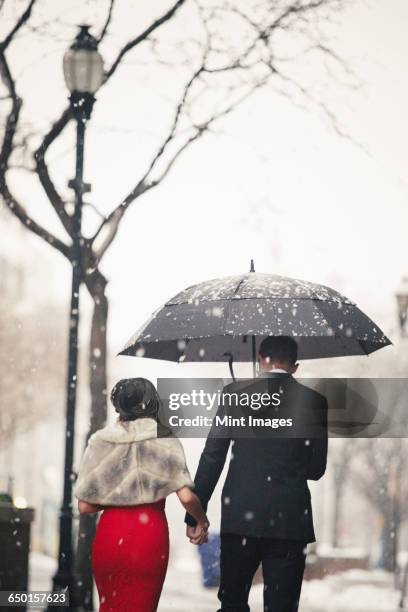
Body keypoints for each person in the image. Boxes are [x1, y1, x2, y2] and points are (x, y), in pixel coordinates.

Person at [185, 336, 328, 612]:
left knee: (233, 603)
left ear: (260, 359)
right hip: (290, 521)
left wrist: (195, 514)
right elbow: (316, 470)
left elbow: (212, 456)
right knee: (281, 606)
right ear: (294, 367)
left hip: (240, 517)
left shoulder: (234, 395)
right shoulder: (314, 402)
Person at [75, 377, 209, 612]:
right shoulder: (164, 439)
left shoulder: (100, 442)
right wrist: (201, 520)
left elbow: (84, 506)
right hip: (148, 538)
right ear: (153, 403)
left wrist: (117, 500)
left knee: (111, 606)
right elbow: (187, 498)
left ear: (118, 406)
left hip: (110, 536)